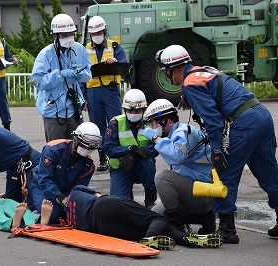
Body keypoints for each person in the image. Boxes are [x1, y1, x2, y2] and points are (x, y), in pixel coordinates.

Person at [155, 44, 278, 243]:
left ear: (172, 68)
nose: (167, 77)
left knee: (224, 172)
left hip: (243, 122)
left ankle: (227, 229)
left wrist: (217, 148)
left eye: (165, 71)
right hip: (260, 114)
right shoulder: (204, 71)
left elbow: (213, 120)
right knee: (269, 171)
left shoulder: (190, 83)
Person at [66, 185, 223, 250]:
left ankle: (185, 238)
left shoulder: (68, 219)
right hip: (105, 205)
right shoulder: (74, 191)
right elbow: (96, 193)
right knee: (159, 220)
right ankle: (150, 238)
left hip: (101, 228)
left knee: (153, 228)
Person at [141, 98, 215, 234]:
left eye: (153, 123)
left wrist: (156, 139)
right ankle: (203, 219)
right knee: (151, 217)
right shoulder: (173, 134)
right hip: (191, 192)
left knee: (162, 176)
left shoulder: (185, 132)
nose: (152, 128)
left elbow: (177, 156)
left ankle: (177, 225)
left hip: (202, 194)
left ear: (166, 120)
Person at [31, 13, 92, 142]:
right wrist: (59, 74)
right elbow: (38, 81)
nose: (69, 38)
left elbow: (88, 72)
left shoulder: (79, 49)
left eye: (71, 34)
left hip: (74, 108)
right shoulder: (45, 54)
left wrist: (82, 75)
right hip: (54, 111)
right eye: (65, 35)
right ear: (55, 35)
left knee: (78, 149)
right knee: (56, 150)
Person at [29, 122, 102, 224]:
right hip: (43, 188)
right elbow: (44, 178)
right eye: (84, 146)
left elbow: (78, 188)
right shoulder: (53, 149)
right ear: (75, 140)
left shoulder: (89, 165)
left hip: (65, 195)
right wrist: (59, 196)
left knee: (71, 216)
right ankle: (33, 209)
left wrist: (67, 200)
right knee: (52, 216)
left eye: (90, 149)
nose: (87, 151)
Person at [84, 16, 127, 172]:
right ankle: (103, 158)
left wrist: (115, 61)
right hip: (93, 92)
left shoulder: (115, 46)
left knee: (115, 123)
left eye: (99, 32)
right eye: (94, 33)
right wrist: (84, 98)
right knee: (97, 125)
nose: (97, 35)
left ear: (104, 31)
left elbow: (124, 67)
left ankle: (119, 155)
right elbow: (82, 75)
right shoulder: (85, 48)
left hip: (110, 90)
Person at [104, 89, 157, 208]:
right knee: (118, 204)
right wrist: (130, 149)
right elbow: (109, 149)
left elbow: (157, 146)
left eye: (137, 110)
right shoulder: (115, 123)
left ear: (144, 109)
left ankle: (150, 196)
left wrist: (135, 155)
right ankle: (127, 193)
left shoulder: (150, 122)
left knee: (147, 163)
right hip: (121, 167)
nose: (133, 112)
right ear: (124, 110)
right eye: (130, 110)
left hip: (141, 168)